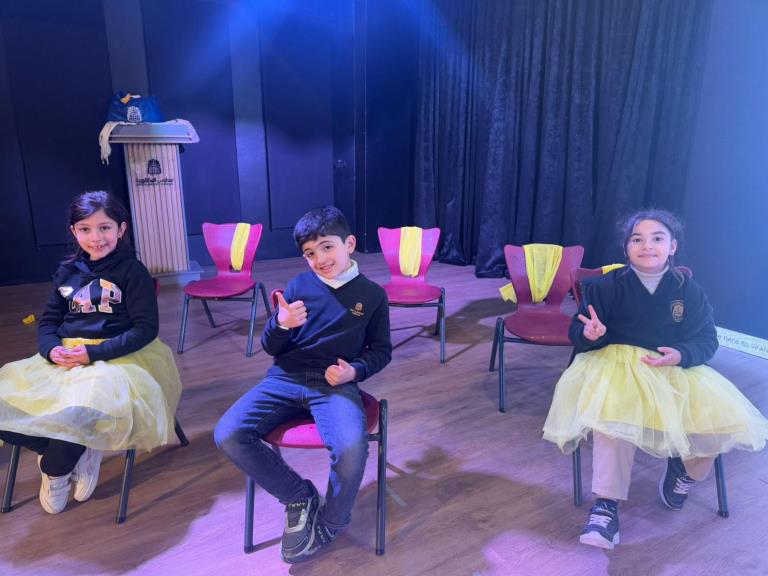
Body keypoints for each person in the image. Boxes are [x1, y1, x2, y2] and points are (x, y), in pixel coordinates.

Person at [542, 209, 768, 550]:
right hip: (614, 366)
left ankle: (683, 471)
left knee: (722, 424)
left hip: (670, 368)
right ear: (626, 248)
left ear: (672, 246)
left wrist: (681, 354)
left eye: (657, 238)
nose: (647, 245)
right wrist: (590, 334)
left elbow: (707, 340)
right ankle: (606, 504)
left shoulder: (689, 291)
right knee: (614, 420)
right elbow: (578, 329)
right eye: (637, 239)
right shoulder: (604, 287)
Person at [215, 206, 392, 564]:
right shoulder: (299, 285)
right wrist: (281, 323)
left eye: (327, 247)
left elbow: (381, 351)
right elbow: (271, 346)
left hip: (334, 385)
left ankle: (331, 522)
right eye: (310, 253)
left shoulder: (373, 296)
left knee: (351, 447)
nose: (319, 259)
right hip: (286, 378)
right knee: (228, 434)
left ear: (349, 244)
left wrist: (354, 372)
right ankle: (299, 496)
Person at [0, 191, 182, 514]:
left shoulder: (132, 271)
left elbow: (145, 329)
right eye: (85, 229)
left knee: (80, 408)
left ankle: (55, 469)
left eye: (105, 227)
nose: (96, 238)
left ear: (121, 229)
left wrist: (91, 355)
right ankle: (75, 449)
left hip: (116, 356)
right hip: (67, 354)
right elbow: (49, 321)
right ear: (74, 231)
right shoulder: (67, 272)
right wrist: (51, 349)